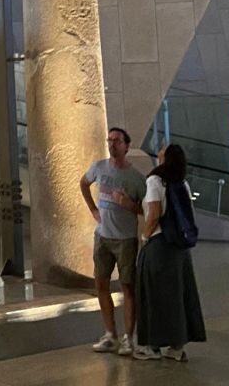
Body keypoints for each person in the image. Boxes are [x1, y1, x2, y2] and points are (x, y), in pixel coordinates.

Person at [133, 144, 206, 361]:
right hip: (179, 248)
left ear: (165, 159)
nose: (158, 154)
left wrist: (145, 236)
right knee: (178, 296)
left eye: (162, 153)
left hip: (159, 245)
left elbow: (154, 212)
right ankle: (177, 346)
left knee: (153, 295)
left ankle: (152, 345)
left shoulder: (155, 180)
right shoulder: (182, 182)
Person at [79, 126, 146, 356]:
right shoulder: (99, 167)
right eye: (109, 140)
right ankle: (110, 334)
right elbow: (83, 183)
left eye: (117, 141)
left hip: (125, 239)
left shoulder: (136, 179)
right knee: (101, 283)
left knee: (127, 286)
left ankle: (128, 337)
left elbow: (146, 209)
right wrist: (92, 209)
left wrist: (130, 205)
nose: (112, 144)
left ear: (126, 146)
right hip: (103, 236)